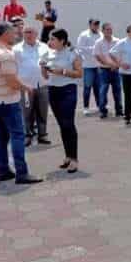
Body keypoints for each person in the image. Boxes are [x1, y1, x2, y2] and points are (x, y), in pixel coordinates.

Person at [0, 22, 43, 185]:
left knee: (1, 136)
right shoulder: (5, 54)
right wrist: (26, 88)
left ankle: (3, 171)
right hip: (7, 100)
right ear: (4, 34)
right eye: (12, 32)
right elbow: (11, 82)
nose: (16, 35)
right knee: (18, 135)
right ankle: (21, 173)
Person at [42, 29, 83, 174]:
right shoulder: (49, 53)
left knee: (68, 124)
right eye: (49, 39)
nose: (50, 42)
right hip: (53, 91)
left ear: (62, 40)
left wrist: (63, 72)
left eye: (53, 39)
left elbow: (79, 73)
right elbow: (46, 77)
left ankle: (74, 159)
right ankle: (67, 156)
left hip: (68, 90)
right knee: (62, 125)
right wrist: (43, 67)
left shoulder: (72, 53)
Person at [13, 24, 51, 147]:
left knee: (42, 111)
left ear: (36, 34)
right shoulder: (16, 49)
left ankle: (42, 134)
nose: (28, 34)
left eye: (31, 32)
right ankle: (27, 135)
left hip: (42, 84)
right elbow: (13, 68)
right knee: (26, 112)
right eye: (26, 32)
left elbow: (50, 63)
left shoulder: (44, 47)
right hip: (25, 86)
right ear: (22, 34)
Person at [94, 22, 123, 119]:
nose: (109, 31)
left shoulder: (117, 41)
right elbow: (98, 56)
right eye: (107, 29)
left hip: (116, 70)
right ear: (102, 31)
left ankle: (119, 111)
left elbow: (120, 55)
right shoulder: (99, 42)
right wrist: (108, 64)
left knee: (117, 91)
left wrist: (116, 65)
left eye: (110, 29)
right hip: (104, 70)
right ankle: (103, 111)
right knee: (103, 91)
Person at [76, 19, 102, 115]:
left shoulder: (101, 34)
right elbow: (79, 48)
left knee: (97, 87)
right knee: (87, 87)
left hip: (98, 65)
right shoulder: (84, 35)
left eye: (97, 24)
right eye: (94, 24)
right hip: (88, 66)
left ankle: (99, 106)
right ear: (90, 25)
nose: (96, 26)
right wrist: (93, 49)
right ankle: (86, 107)